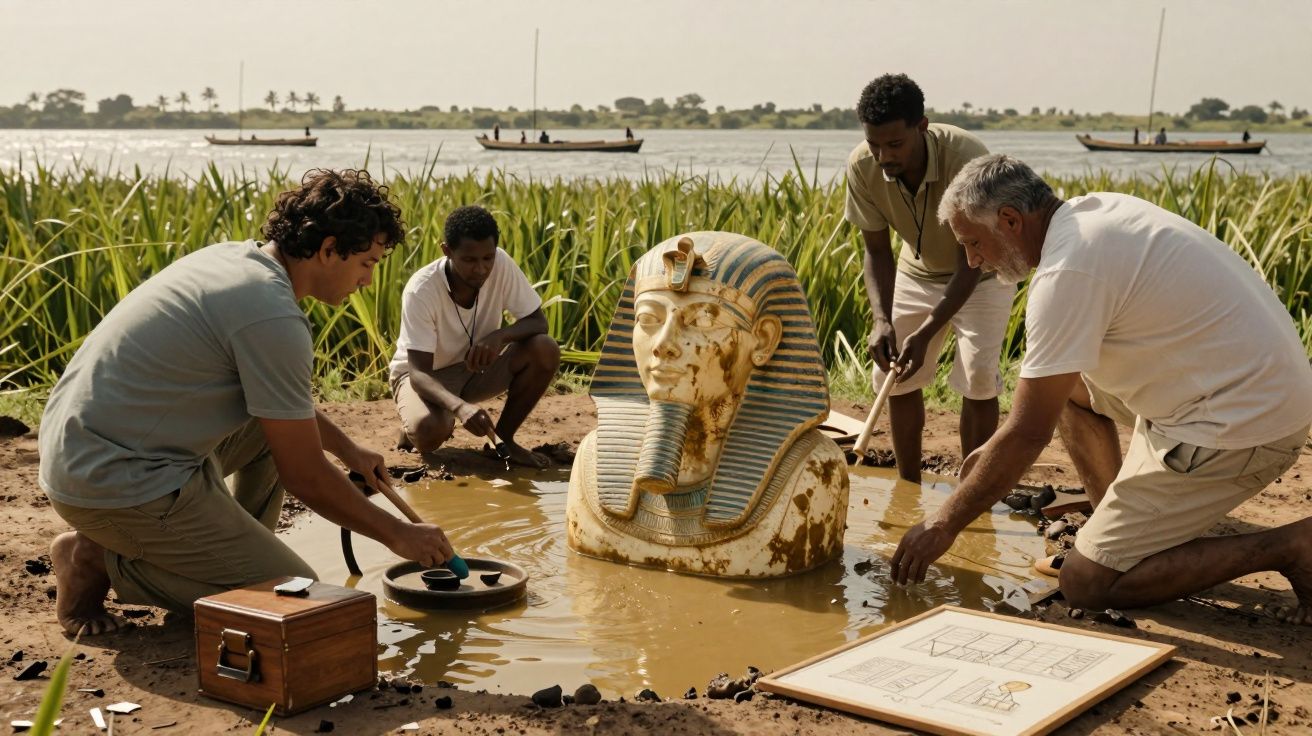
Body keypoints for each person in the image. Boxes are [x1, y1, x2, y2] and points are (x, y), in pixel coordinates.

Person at [891, 154, 1312, 625]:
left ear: (1010, 220)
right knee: (1069, 390)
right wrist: (994, 449)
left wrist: (943, 523)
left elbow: (1029, 433)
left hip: (1243, 424)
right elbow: (1043, 402)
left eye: (972, 243)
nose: (972, 261)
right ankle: (1117, 529)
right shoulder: (1093, 212)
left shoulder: (1066, 273)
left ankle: (1292, 546)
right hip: (1248, 387)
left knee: (1087, 583)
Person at [40, 169, 455, 636]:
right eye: (367, 263)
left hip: (89, 448)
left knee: (269, 434)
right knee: (296, 597)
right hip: (114, 479)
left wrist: (347, 450)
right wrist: (398, 533)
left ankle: (217, 559)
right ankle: (94, 558)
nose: (367, 280)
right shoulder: (273, 316)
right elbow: (305, 476)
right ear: (328, 249)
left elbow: (281, 404)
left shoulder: (236, 261)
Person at [844, 73, 1014, 484]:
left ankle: (971, 491)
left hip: (984, 271)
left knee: (977, 378)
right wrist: (882, 320)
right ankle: (909, 487)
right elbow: (877, 250)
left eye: (895, 144)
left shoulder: (967, 159)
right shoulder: (862, 167)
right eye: (874, 144)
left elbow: (970, 261)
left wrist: (926, 331)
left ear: (922, 126)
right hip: (915, 271)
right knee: (895, 376)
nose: (884, 156)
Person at [390, 205, 559, 469]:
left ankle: (504, 441)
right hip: (426, 378)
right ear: (447, 251)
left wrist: (500, 336)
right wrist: (460, 408)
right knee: (430, 430)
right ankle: (415, 425)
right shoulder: (421, 290)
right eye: (469, 260)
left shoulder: (501, 263)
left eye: (487, 258)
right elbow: (419, 374)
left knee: (544, 348)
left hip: (476, 369)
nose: (481, 269)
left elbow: (538, 322)